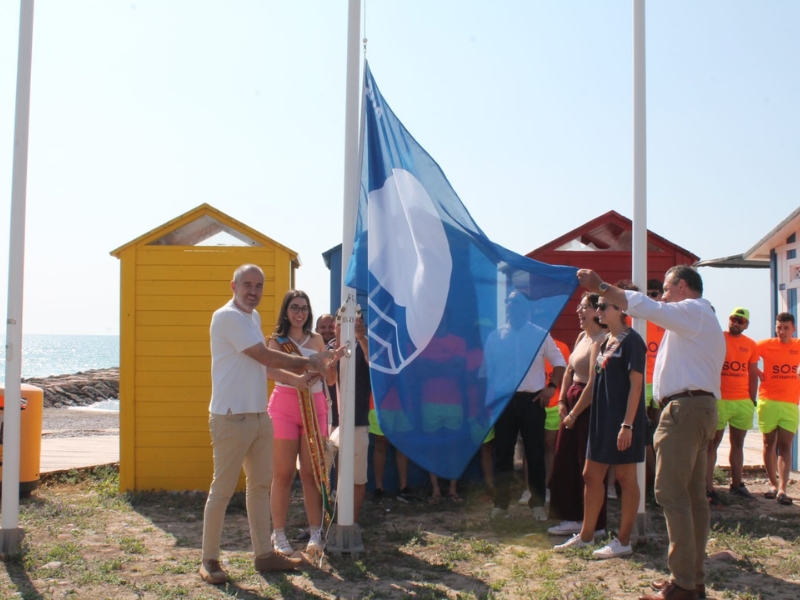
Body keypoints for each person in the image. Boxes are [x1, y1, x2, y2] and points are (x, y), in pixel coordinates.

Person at [577, 265, 724, 600]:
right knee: (692, 499)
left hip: (685, 411)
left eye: (668, 289)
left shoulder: (691, 311)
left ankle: (683, 584)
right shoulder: (701, 318)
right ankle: (691, 579)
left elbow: (646, 306)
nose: (665, 296)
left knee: (672, 495)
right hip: (698, 408)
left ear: (683, 286)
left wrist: (601, 285)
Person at [200, 265, 340, 585]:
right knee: (221, 491)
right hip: (230, 417)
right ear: (233, 285)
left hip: (260, 416)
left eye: (259, 286)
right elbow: (265, 357)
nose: (253, 291)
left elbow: (262, 368)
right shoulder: (227, 317)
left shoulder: (251, 318)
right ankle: (209, 559)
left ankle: (263, 554)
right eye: (247, 285)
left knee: (260, 487)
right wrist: (310, 362)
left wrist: (301, 379)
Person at [554, 282, 646, 559]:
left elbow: (636, 386)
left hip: (622, 422)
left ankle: (623, 541)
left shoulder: (633, 341)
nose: (598, 310)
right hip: (600, 420)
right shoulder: (604, 341)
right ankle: (586, 536)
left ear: (619, 310)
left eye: (603, 306)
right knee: (590, 475)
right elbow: (592, 381)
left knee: (625, 478)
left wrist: (627, 424)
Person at [486, 290, 566, 521]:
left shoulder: (541, 335)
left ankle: (537, 504)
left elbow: (560, 363)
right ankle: (501, 505)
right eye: (510, 303)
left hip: (532, 402)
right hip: (505, 402)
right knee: (502, 453)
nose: (514, 307)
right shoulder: (495, 337)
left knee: (535, 453)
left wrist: (551, 387)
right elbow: (488, 371)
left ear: (526, 308)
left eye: (519, 304)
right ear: (506, 307)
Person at [267, 290, 330, 557]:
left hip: (314, 407)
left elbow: (328, 373)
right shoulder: (276, 341)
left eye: (304, 308)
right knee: (283, 474)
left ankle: (316, 532)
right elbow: (269, 369)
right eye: (294, 307)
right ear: (286, 310)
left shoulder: (317, 339)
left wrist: (329, 363)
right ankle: (278, 534)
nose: (299, 313)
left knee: (310, 474)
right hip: (284, 407)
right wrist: (299, 377)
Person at [548, 292, 608, 537]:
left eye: (584, 307)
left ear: (597, 311)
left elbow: (594, 384)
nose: (579, 311)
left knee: (588, 465)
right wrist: (562, 399)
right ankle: (569, 516)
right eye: (579, 307)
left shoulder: (602, 340)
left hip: (588, 407)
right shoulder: (583, 336)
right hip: (571, 402)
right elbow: (569, 369)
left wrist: (574, 413)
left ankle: (594, 523)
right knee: (566, 460)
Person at [705, 307, 758, 505]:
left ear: (746, 325)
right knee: (712, 444)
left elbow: (752, 374)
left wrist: (752, 399)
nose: (736, 323)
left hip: (742, 401)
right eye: (734, 319)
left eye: (741, 321)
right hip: (719, 399)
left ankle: (737, 484)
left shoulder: (751, 345)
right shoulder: (718, 339)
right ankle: (708, 487)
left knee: (738, 444)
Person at [326, 314, 372, 521]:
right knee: (324, 477)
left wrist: (361, 339)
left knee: (357, 478)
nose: (345, 326)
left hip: (357, 422)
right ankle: (327, 522)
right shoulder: (325, 349)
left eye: (352, 322)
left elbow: (373, 363)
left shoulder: (363, 347)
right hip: (328, 423)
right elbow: (327, 379)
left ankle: (350, 522)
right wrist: (335, 354)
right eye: (342, 322)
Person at [756, 312, 800, 506]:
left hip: (790, 403)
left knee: (785, 446)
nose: (782, 331)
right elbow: (746, 356)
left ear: (793, 329)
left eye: (786, 328)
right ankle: (773, 484)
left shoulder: (798, 346)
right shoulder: (765, 345)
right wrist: (756, 370)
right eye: (779, 327)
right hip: (768, 401)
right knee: (768, 444)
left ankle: (783, 489)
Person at [644, 279, 666, 492]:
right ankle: (651, 483)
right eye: (647, 294)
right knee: (642, 433)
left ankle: (661, 481)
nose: (651, 298)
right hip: (641, 384)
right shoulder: (636, 320)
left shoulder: (666, 322)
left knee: (661, 434)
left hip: (660, 385)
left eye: (655, 294)